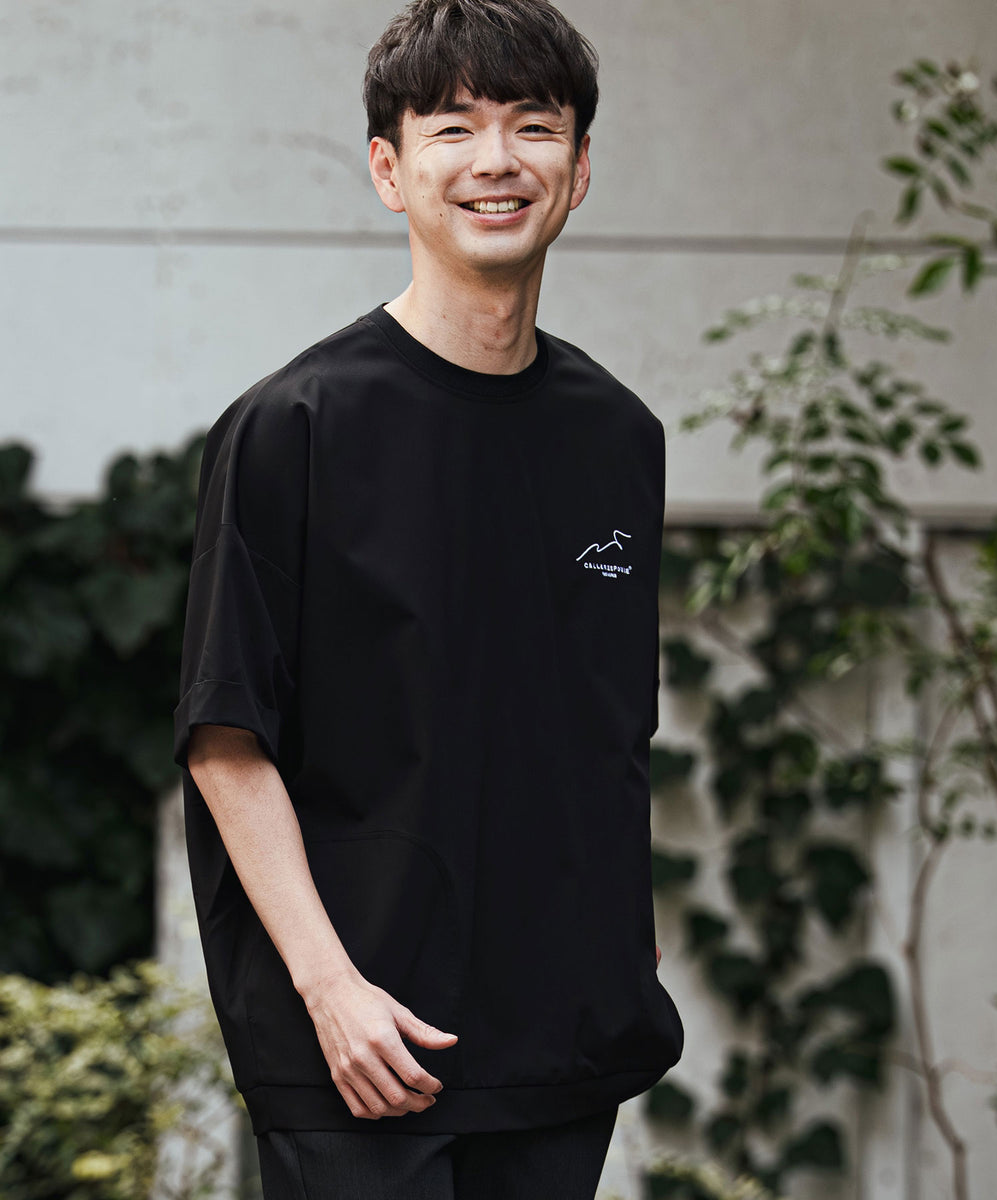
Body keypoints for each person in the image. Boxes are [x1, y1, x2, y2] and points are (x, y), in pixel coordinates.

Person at [172, 1, 684, 1196]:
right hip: (363, 1047)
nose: (497, 160)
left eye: (534, 126)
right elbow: (225, 739)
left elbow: (608, 730)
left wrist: (618, 944)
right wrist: (329, 990)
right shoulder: (294, 426)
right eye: (452, 128)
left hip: (560, 1039)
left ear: (580, 168)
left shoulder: (616, 437)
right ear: (388, 171)